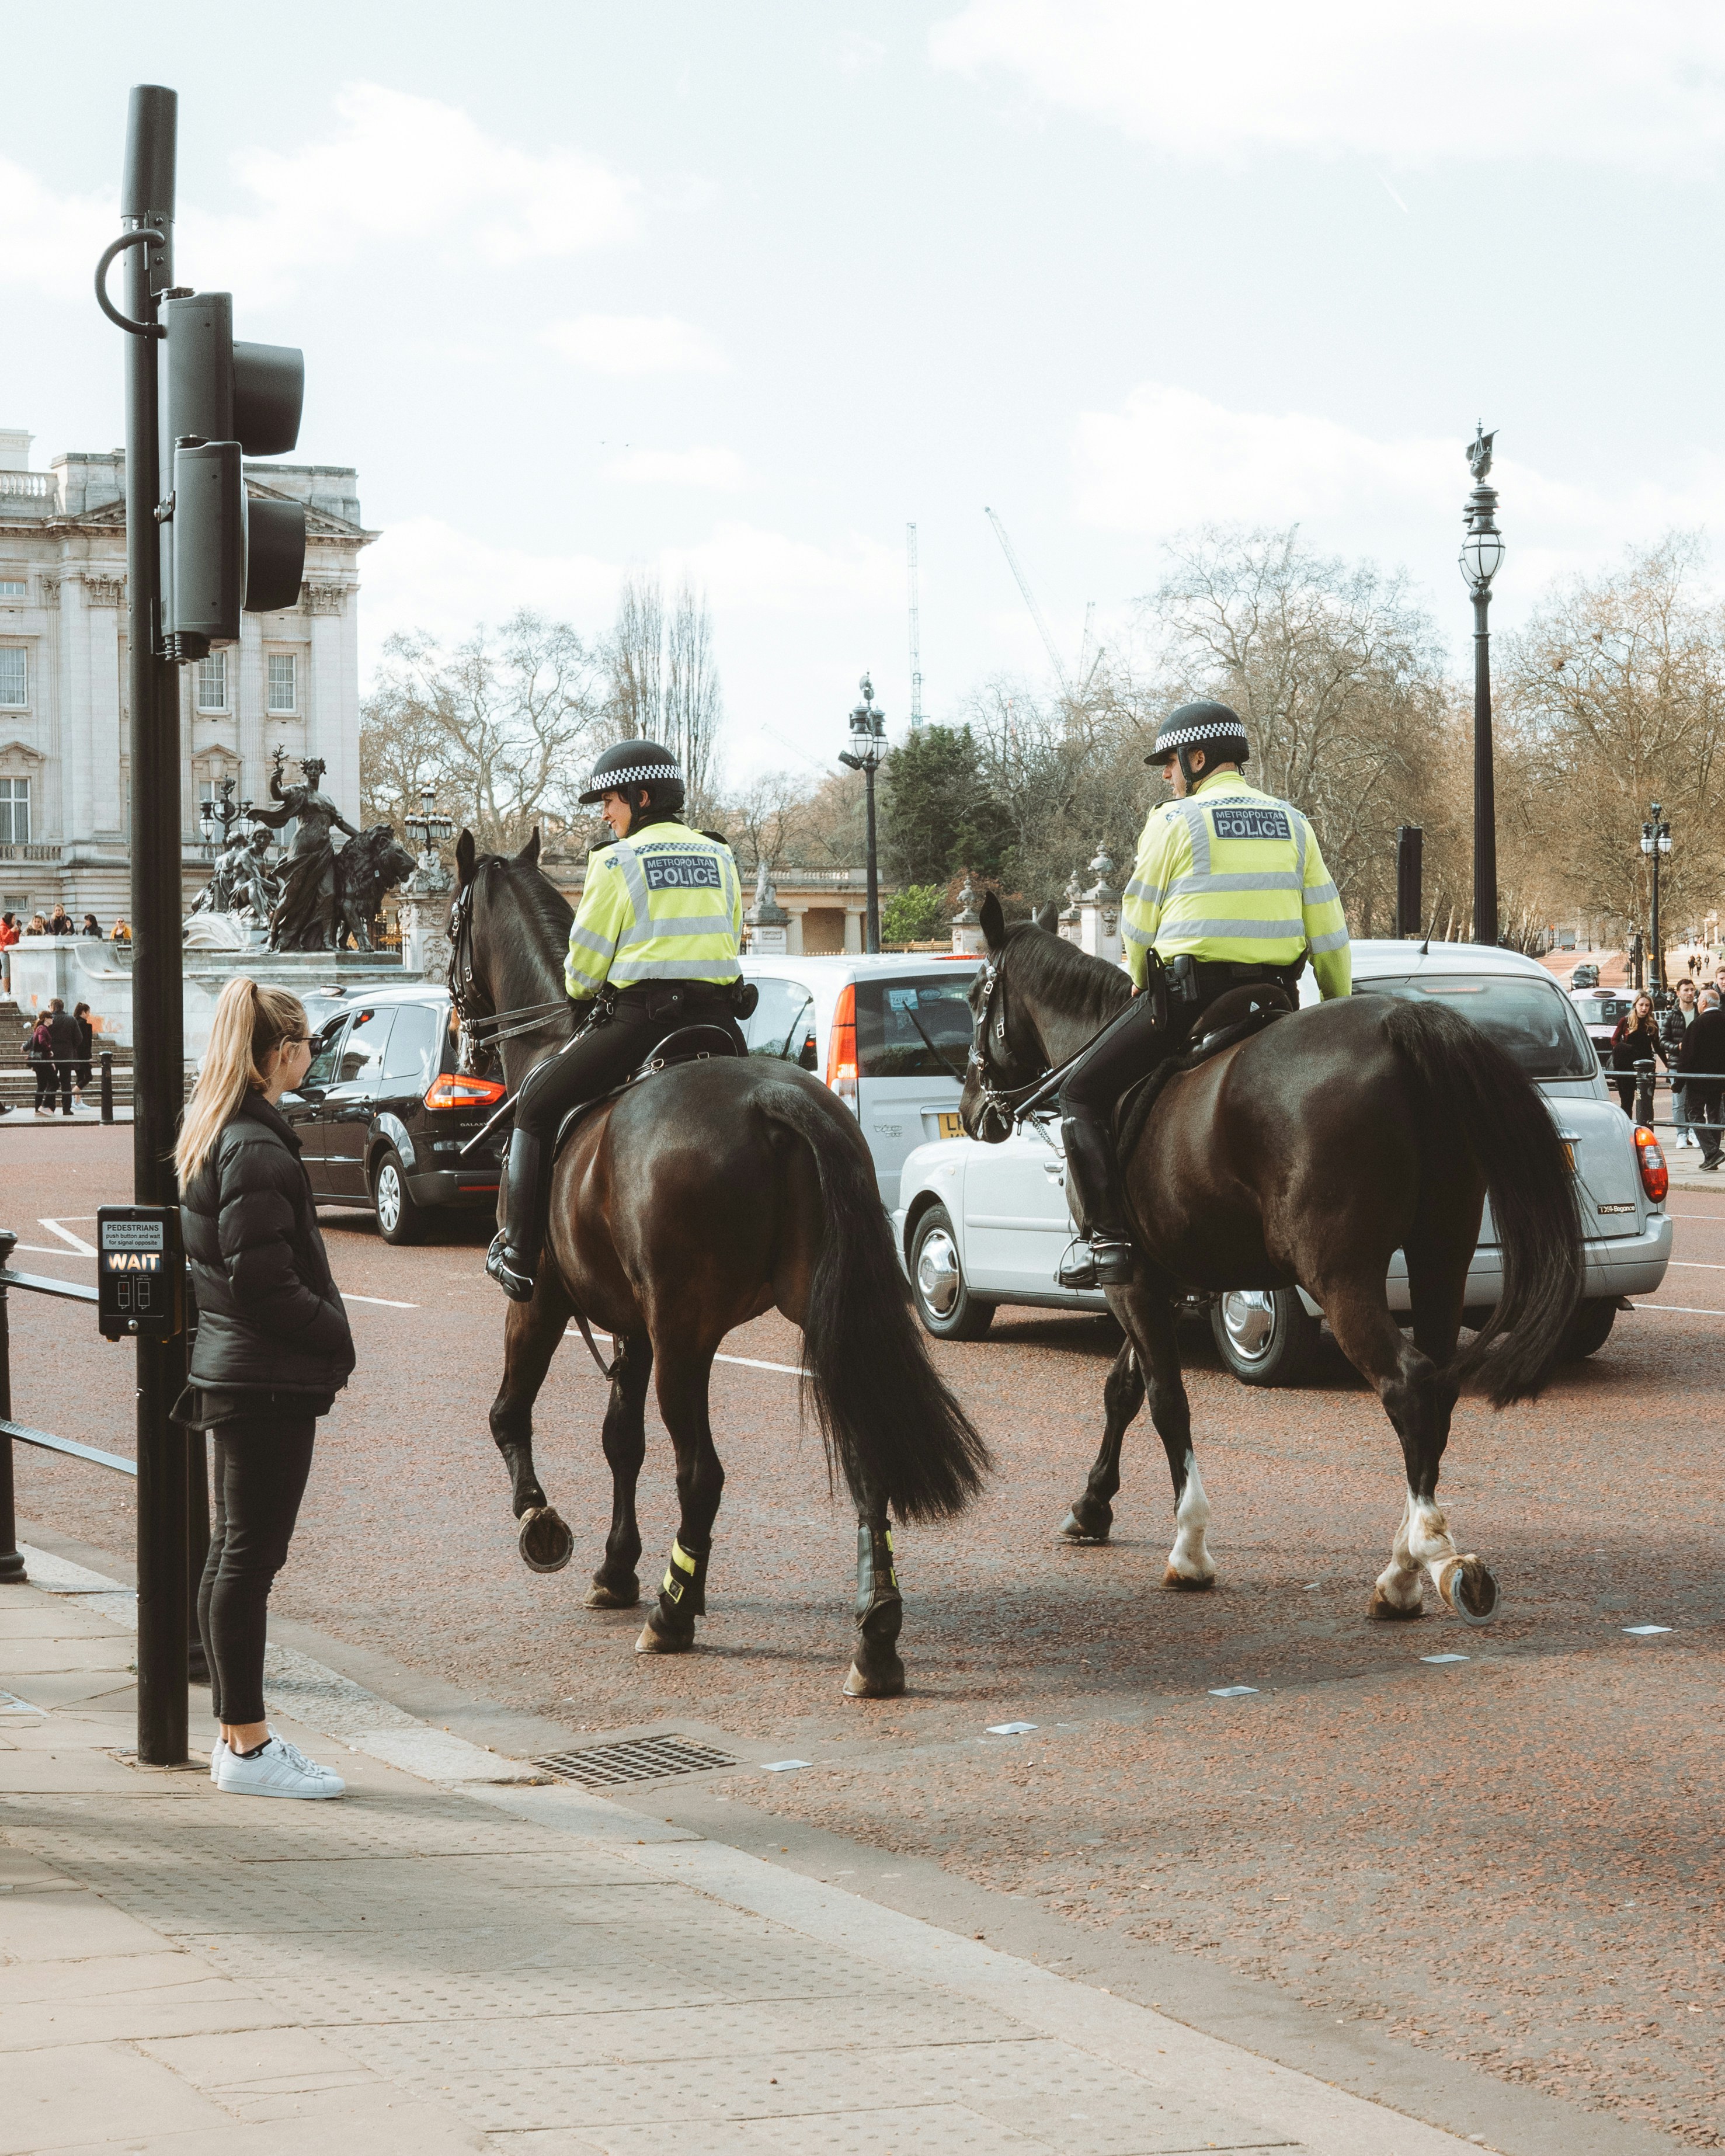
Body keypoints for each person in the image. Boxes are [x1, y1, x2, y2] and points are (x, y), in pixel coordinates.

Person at [1056, 700, 1352, 1287]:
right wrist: (1337, 1005)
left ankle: (1107, 1241)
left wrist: (1138, 976)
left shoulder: (1174, 821)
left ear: (1197, 758)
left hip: (1188, 1001)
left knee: (1079, 1093)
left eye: (1169, 762)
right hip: (1274, 1000)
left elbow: (1138, 920)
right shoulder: (1293, 821)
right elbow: (1328, 928)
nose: (1166, 775)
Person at [175, 975, 356, 1798]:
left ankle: (234, 1738)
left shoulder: (226, 1130)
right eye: (306, 1043)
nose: (311, 1054)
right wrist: (334, 1332)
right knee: (250, 1558)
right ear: (278, 1052)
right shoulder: (254, 1145)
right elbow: (263, 1281)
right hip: (265, 1376)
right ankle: (247, 1749)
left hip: (239, 1369)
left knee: (233, 1555)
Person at [485, 739, 748, 1302]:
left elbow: (582, 970)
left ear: (641, 797)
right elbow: (733, 934)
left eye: (609, 801)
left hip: (643, 1023)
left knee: (533, 1106)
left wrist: (587, 987)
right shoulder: (721, 855)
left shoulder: (617, 861)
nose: (604, 814)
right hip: (722, 1026)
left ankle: (521, 1257)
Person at [1678, 987, 1725, 1171]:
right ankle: (1712, 1155)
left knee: (1694, 1114)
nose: (1697, 1003)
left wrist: (1678, 1083)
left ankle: (1712, 1153)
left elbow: (1687, 1056)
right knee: (1715, 1114)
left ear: (1704, 1003)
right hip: (1720, 1079)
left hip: (1698, 1080)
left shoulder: (1697, 1024)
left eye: (1699, 1001)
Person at [1608, 992, 1666, 1119]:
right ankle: (1628, 1131)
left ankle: (1647, 1130)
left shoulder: (1652, 1024)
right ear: (1635, 1005)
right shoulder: (1626, 1021)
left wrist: (1668, 1064)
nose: (1644, 1008)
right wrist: (1624, 1049)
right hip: (1627, 1066)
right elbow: (1614, 1040)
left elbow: (1657, 1046)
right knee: (1627, 1102)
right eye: (1641, 1005)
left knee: (1647, 1103)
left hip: (1646, 1065)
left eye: (1647, 1005)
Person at [1661, 979, 1699, 1145]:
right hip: (1677, 1064)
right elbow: (1663, 1041)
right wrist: (1677, 1047)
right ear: (1678, 993)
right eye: (1686, 990)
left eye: (1692, 990)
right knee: (1679, 1102)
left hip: (1697, 1064)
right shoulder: (1671, 1015)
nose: (1690, 993)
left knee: (1695, 1101)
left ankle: (1693, 1132)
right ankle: (1681, 1134)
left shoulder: (1699, 1013)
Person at [44, 996, 80, 1117]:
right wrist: (71, 1047)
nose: (49, 1009)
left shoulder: (49, 1021)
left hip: (52, 1056)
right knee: (66, 1083)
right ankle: (67, 1108)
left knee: (52, 1082)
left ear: (53, 1007)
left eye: (49, 1007)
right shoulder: (71, 1020)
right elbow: (79, 1038)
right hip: (67, 1055)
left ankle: (51, 1107)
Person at [26, 1012, 56, 1114]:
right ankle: (45, 1106)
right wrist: (49, 1050)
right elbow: (42, 1041)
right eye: (51, 1018)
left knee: (42, 1085)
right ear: (46, 1019)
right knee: (55, 1083)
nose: (52, 1019)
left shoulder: (39, 1029)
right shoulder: (42, 1029)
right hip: (43, 1062)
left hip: (40, 1062)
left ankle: (37, 1109)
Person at [71, 1000, 94, 1108]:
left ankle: (78, 1101)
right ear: (83, 1012)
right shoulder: (82, 1025)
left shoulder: (76, 1023)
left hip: (76, 1056)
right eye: (88, 1012)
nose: (89, 1014)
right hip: (82, 1056)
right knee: (88, 1077)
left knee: (80, 1077)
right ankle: (72, 1095)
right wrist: (89, 1057)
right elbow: (85, 1044)